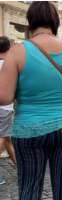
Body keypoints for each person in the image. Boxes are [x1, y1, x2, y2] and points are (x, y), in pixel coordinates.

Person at [0, 2, 62, 200]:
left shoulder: (18, 52)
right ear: (55, 22)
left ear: (30, 21)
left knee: (30, 188)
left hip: (30, 129)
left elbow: (3, 97)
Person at [0, 36, 16, 186]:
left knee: (8, 138)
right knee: (4, 138)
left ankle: (18, 166)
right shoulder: (9, 65)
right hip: (5, 108)